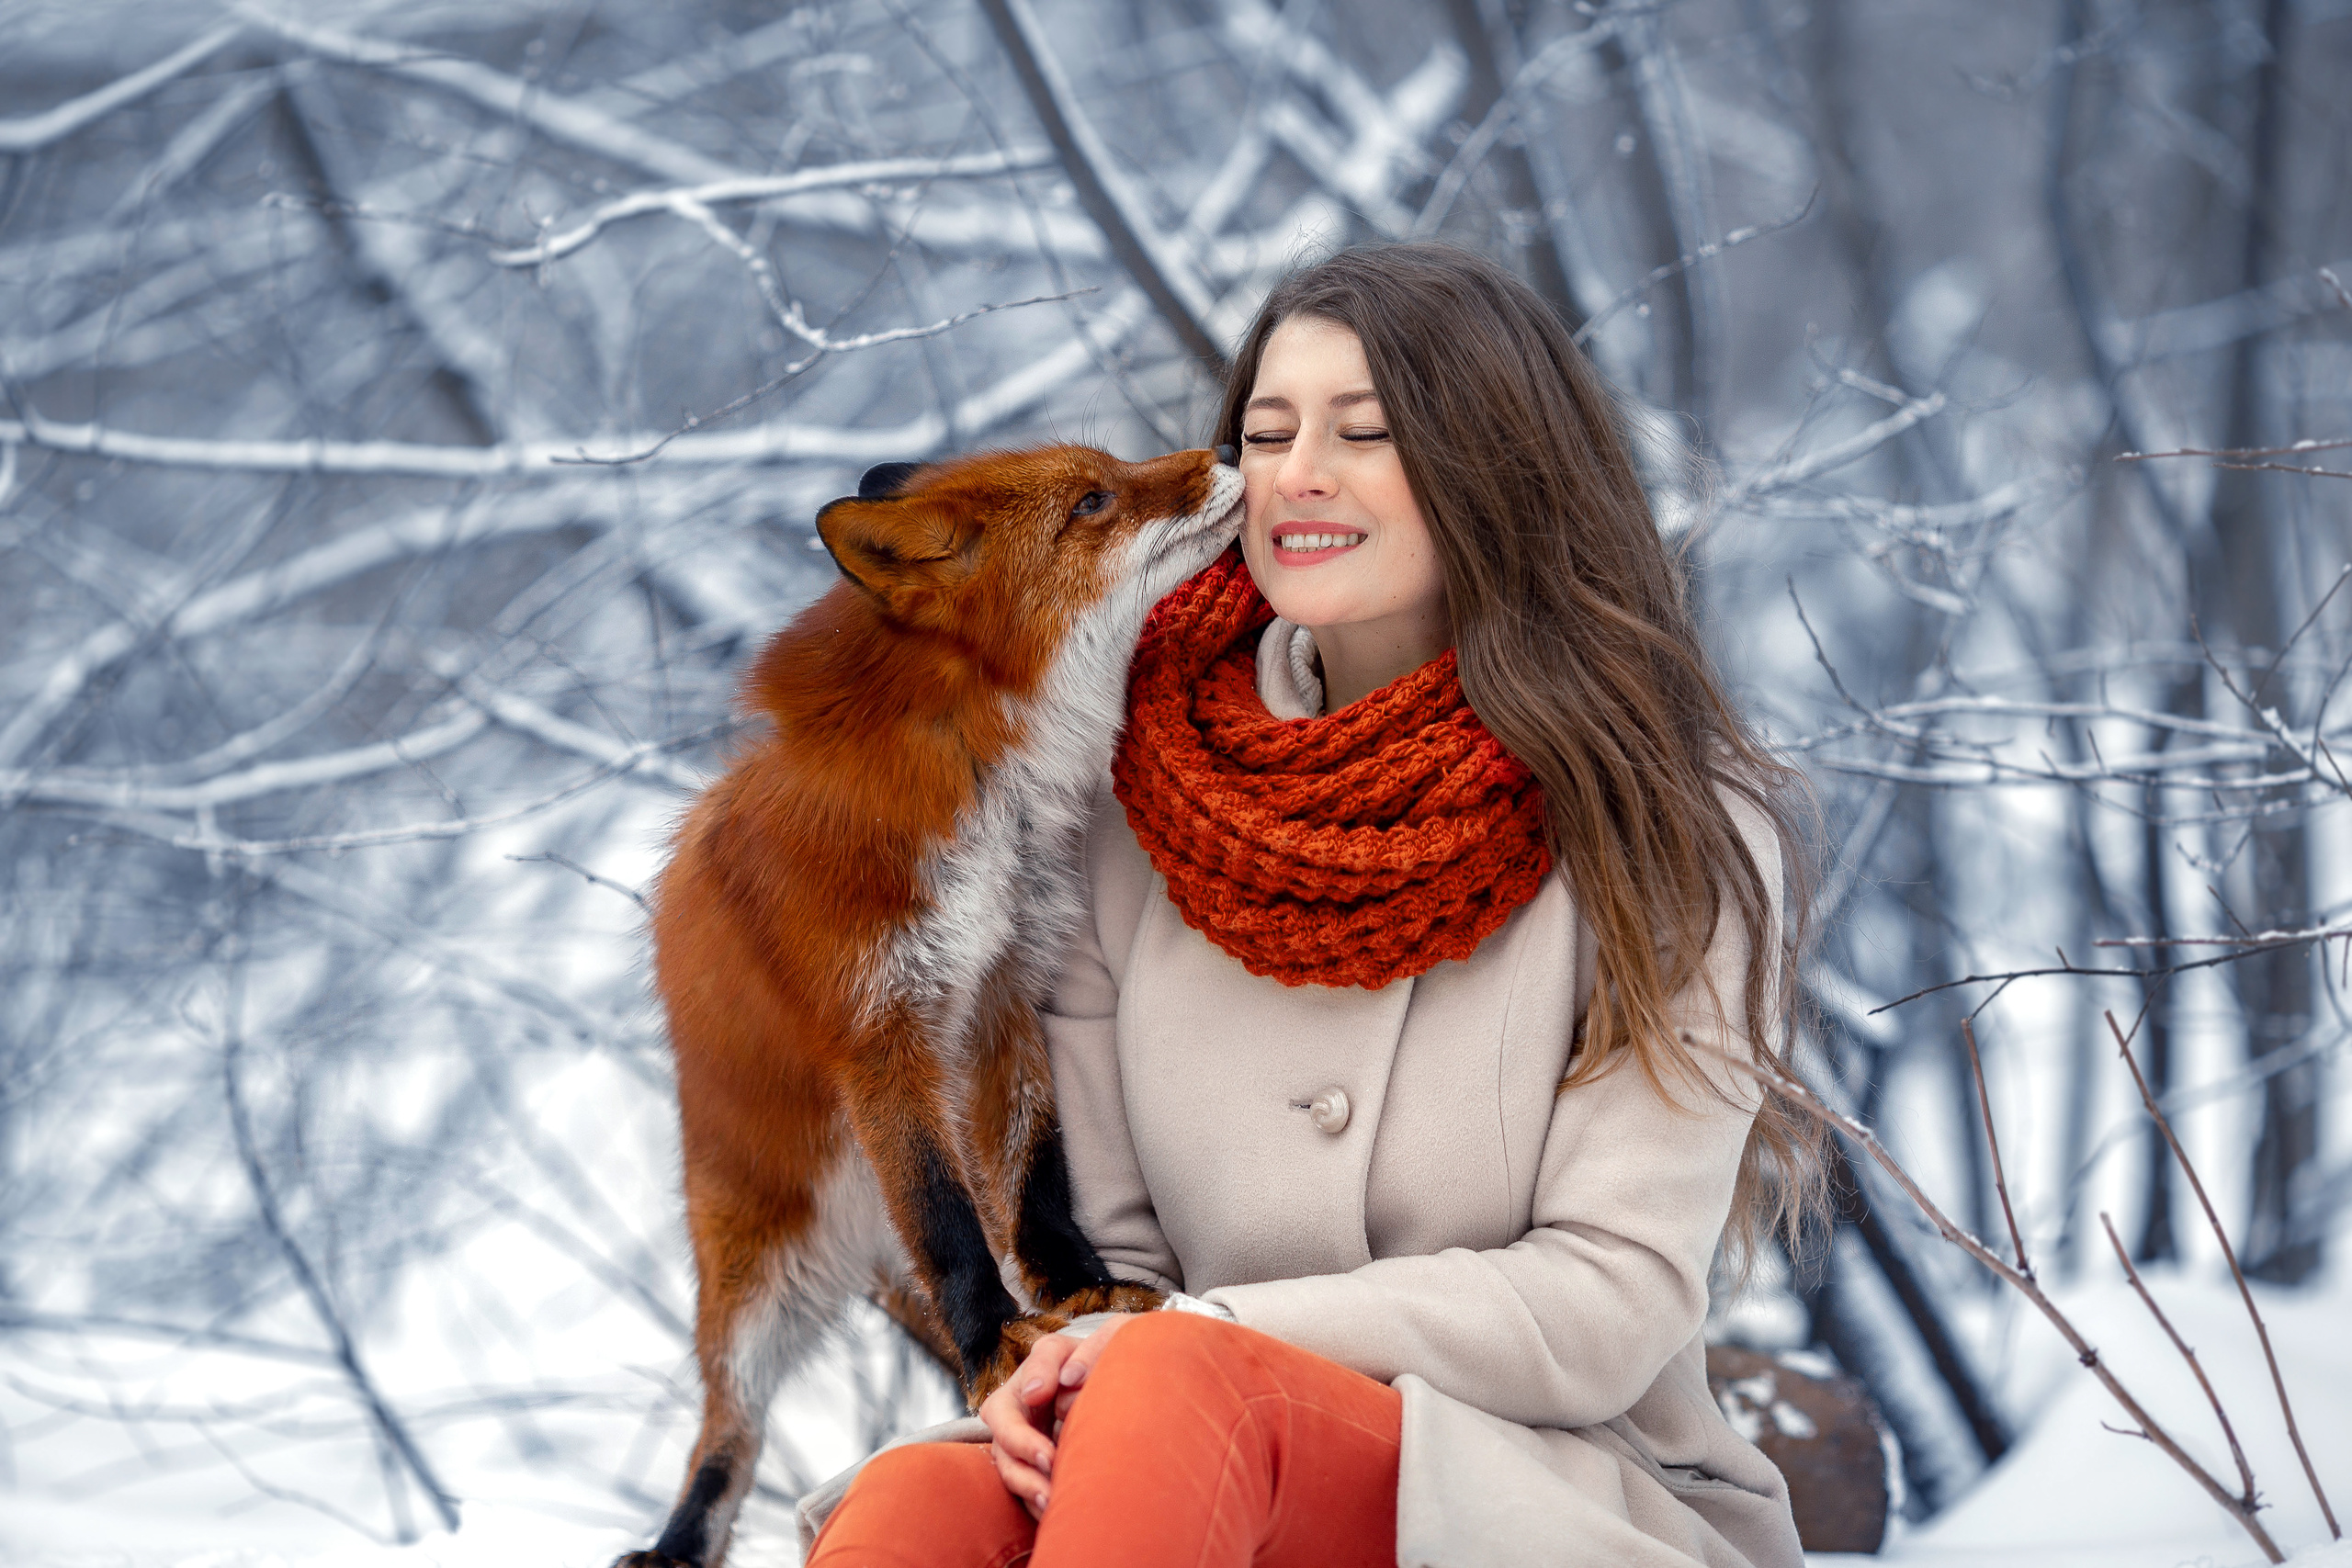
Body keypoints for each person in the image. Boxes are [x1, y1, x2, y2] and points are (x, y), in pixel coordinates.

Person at [799, 243, 1823, 1568]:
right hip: (1178, 1451)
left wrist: (1219, 1342)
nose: (1296, 475)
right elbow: (1114, 1265)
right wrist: (1081, 1360)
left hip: (1537, 1485)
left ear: (1495, 466)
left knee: (1174, 1384)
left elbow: (1610, 1296)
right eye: (1268, 433)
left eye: (1366, 432)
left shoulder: (1668, 821)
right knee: (916, 1503)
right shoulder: (1127, 800)